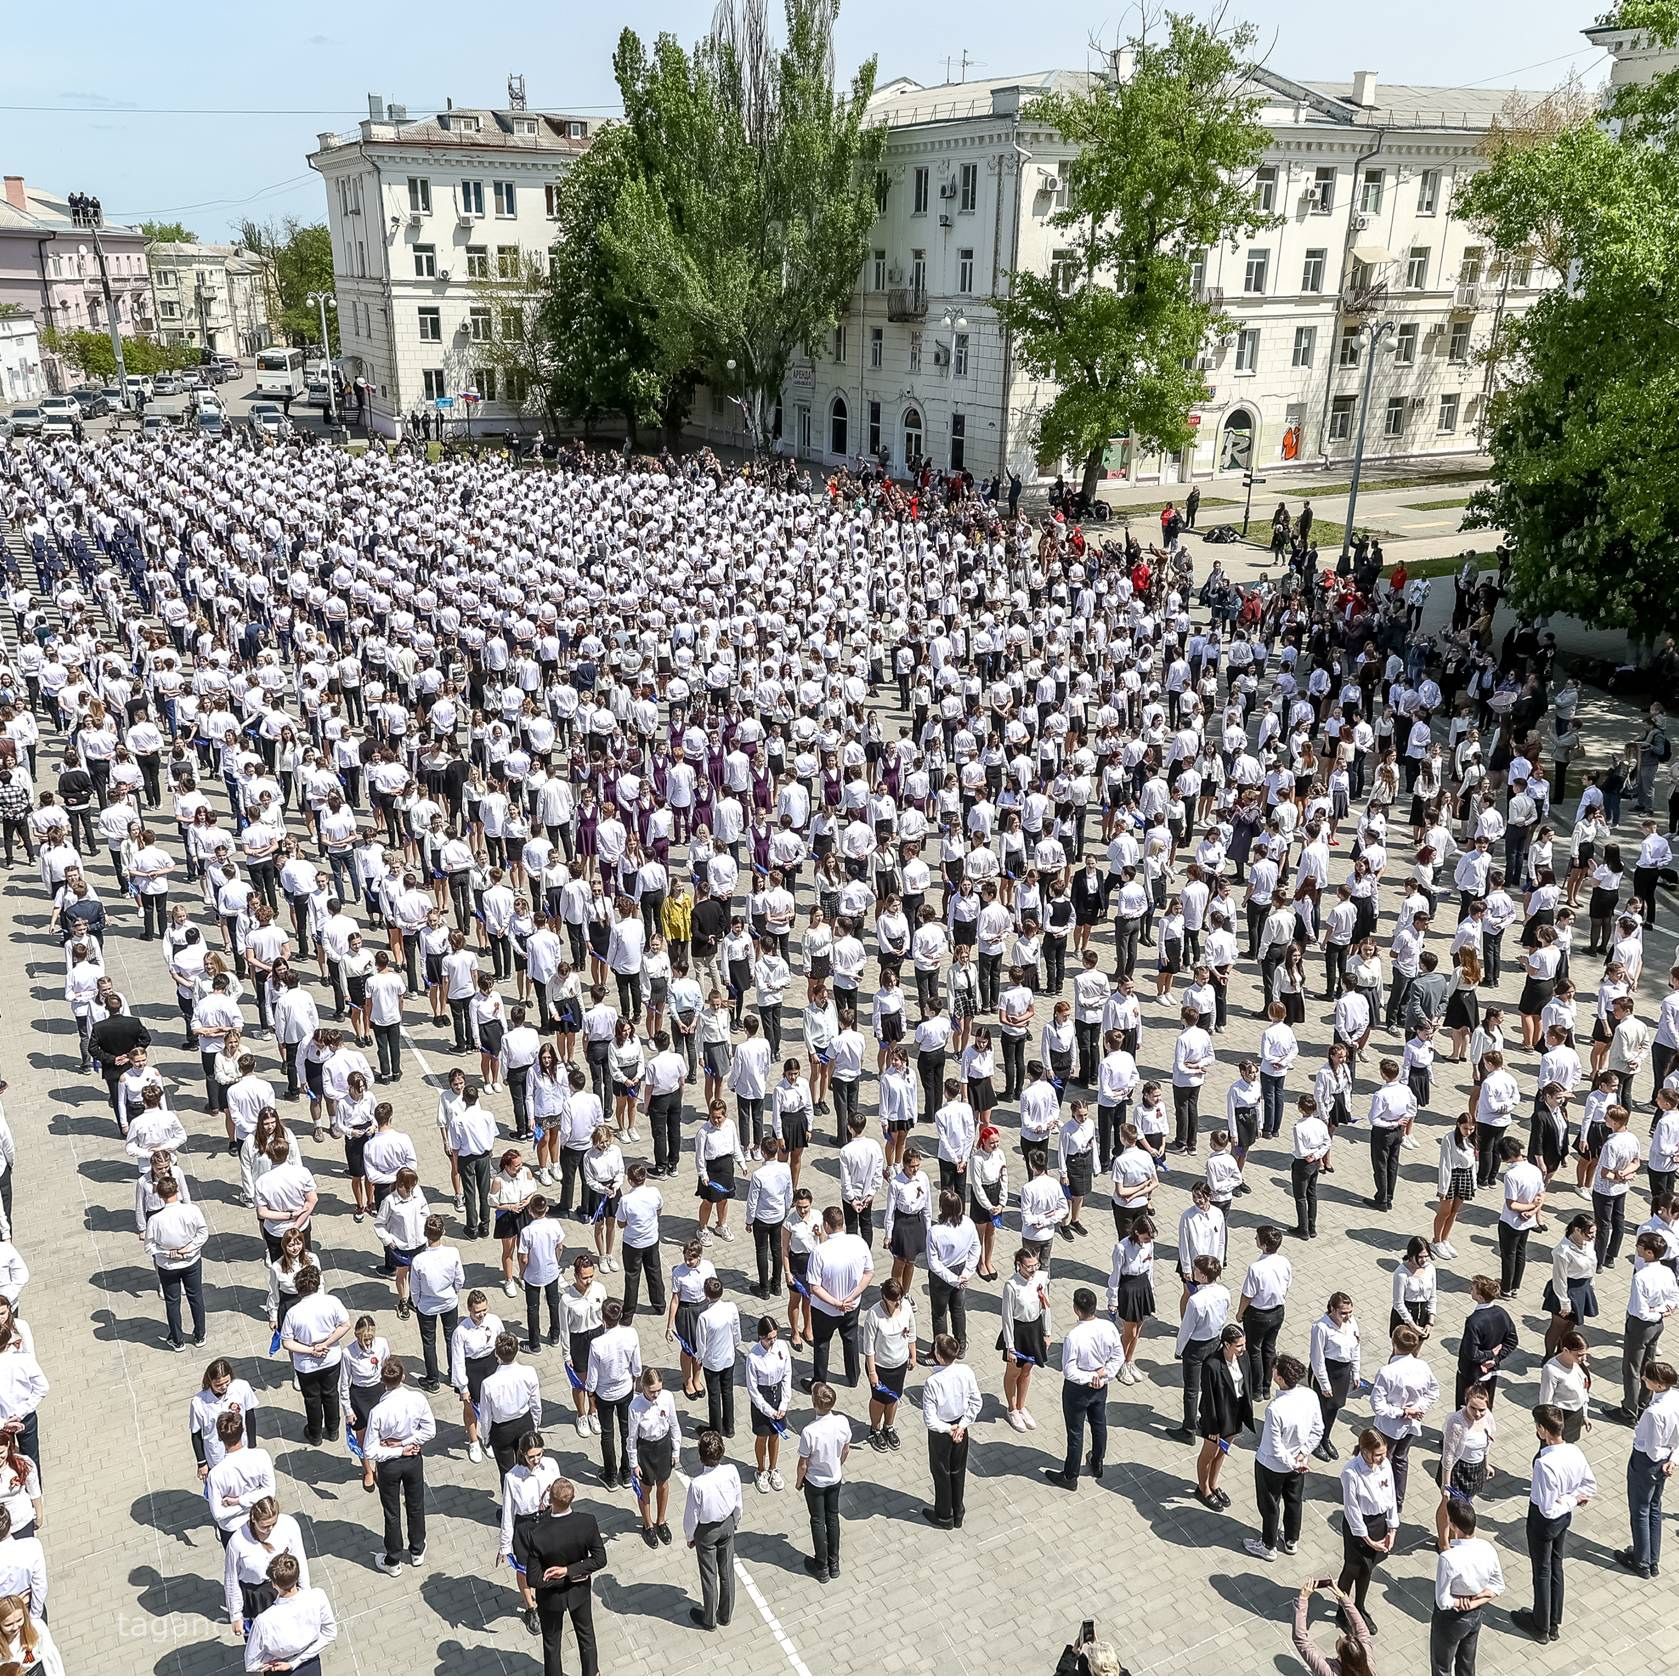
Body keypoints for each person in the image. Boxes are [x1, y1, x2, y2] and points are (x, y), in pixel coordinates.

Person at [1513, 1403, 1597, 1643]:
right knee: (1556, 1566)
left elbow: (1548, 1508)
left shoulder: (1544, 1463)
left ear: (1542, 1430)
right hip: (1564, 1518)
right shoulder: (1574, 1451)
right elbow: (1590, 1486)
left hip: (1544, 1520)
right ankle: (1553, 1622)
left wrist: (1569, 1499)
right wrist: (1574, 1499)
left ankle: (1541, 1625)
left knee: (1542, 1570)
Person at [511, 1476, 607, 1677]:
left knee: (552, 1644)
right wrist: (571, 1571)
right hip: (579, 1591)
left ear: (550, 1499)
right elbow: (599, 1560)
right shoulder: (587, 1522)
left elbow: (534, 1579)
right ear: (572, 1498)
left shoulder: (537, 1534)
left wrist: (562, 1573)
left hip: (550, 1598)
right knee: (586, 1636)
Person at [1043, 1286, 1125, 1491]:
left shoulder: (1074, 1336)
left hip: (1077, 1390)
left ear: (1076, 1309)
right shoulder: (1108, 1327)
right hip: (1100, 1386)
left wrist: (1090, 1377)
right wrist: (1103, 1375)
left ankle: (1070, 1476)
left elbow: (1069, 1370)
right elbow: (1118, 1356)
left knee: (1076, 1432)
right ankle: (1097, 1461)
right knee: (1099, 1423)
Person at [1245, 1353, 1322, 1560]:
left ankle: (1268, 1545)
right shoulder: (1310, 1395)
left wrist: (1292, 1462)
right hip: (1298, 1461)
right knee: (1294, 1500)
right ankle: (1291, 1540)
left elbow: (1275, 1446)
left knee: (1270, 1504)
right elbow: (1318, 1430)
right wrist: (1303, 1455)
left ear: (1279, 1378)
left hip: (1271, 1466)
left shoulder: (1275, 1409)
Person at [365, 1355, 436, 1576]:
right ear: (403, 1376)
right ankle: (417, 1550)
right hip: (413, 1459)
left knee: (392, 1512)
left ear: (382, 1380)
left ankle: (393, 1560)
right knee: (416, 1504)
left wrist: (397, 1447)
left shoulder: (378, 1412)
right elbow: (430, 1430)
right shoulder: (417, 1399)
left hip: (390, 1464)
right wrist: (408, 1444)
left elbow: (369, 1450)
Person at [1430, 1501, 1504, 1676]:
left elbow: (1443, 1601)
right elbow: (1498, 1585)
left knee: (1441, 1667)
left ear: (1454, 1526)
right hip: (1475, 1614)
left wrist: (1461, 1602)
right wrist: (1476, 1600)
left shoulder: (1448, 1558)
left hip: (1450, 1619)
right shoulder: (1487, 1548)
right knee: (1467, 1666)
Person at [1619, 1358, 1678, 1578]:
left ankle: (1641, 1561)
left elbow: (1652, 1449)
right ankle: (1653, 1559)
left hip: (1648, 1462)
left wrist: (1660, 1457)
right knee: (1654, 1508)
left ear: (1659, 1384)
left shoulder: (1655, 1413)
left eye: (1647, 1377)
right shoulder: (1676, 1398)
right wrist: (1673, 1459)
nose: (1643, 1378)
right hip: (1666, 1461)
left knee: (1640, 1510)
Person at [682, 1428, 743, 1631]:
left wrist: (690, 1536)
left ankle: (709, 1619)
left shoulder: (697, 1484)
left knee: (709, 1575)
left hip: (706, 1532)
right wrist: (735, 1520)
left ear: (700, 1457)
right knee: (727, 1571)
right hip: (727, 1524)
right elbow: (738, 1500)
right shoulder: (731, 1471)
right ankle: (726, 1615)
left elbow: (692, 1515)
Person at [920, 1331, 981, 1528]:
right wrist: (962, 1426)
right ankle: (958, 1511)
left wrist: (950, 1429)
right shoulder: (966, 1371)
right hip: (961, 1427)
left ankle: (944, 1514)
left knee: (941, 1471)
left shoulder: (933, 1382)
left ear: (938, 1356)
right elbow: (976, 1402)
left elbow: (930, 1419)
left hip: (942, 1431)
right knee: (958, 1469)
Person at [241, 1553, 336, 1676]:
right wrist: (296, 1661)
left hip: (280, 1670)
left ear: (274, 1584)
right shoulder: (318, 1596)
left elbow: (251, 1663)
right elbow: (330, 1633)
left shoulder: (263, 1621)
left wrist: (276, 1662)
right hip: (310, 1661)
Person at [144, 1170, 208, 1350]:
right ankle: (200, 1335)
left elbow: (149, 1246)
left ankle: (178, 1340)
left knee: (172, 1301)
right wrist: (189, 1248)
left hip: (168, 1266)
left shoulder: (155, 1220)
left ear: (159, 1195)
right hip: (191, 1261)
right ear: (177, 1189)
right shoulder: (192, 1210)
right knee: (196, 1297)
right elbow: (203, 1233)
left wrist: (167, 1252)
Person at [795, 1378, 852, 1582]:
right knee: (833, 1517)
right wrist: (838, 1465)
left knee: (818, 1520)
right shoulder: (842, 1422)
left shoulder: (809, 1432)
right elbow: (845, 1450)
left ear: (814, 1403)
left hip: (815, 1482)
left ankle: (821, 1566)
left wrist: (799, 1481)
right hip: (835, 1478)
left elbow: (803, 1463)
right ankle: (834, 1562)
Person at [1291, 1579, 1373, 1678]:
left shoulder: (1329, 1673)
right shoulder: (1367, 1664)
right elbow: (1362, 1630)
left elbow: (1301, 1641)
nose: (1340, 1635)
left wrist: (1303, 1600)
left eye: (1341, 1641)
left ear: (1342, 1656)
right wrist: (1344, 1599)